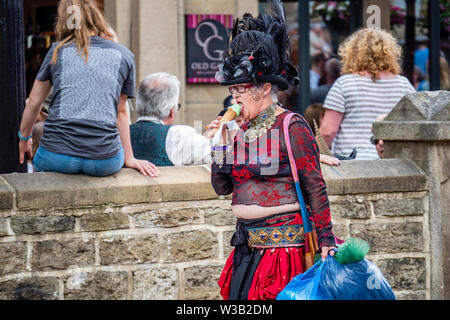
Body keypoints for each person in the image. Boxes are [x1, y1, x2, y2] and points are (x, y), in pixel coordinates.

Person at [210, 1, 336, 300]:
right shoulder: (238, 132)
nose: (235, 96)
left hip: (284, 252)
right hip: (247, 248)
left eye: (241, 88)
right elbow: (221, 186)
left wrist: (327, 240)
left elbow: (315, 185)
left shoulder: (292, 125)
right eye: (232, 90)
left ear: (264, 87)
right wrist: (219, 145)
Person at [18, 0, 158, 177]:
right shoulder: (124, 55)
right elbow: (121, 112)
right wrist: (129, 158)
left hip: (58, 156)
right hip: (105, 160)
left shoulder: (57, 51)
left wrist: (24, 138)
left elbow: (33, 102)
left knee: (37, 170)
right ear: (96, 17)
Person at [320, 28, 416, 160]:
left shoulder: (345, 84)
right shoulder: (404, 85)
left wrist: (314, 156)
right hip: (392, 162)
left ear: (352, 53)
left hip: (352, 164)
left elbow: (327, 132)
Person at [130, 72, 211, 166]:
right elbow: (222, 158)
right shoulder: (179, 136)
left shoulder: (118, 135)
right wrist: (222, 137)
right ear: (172, 110)